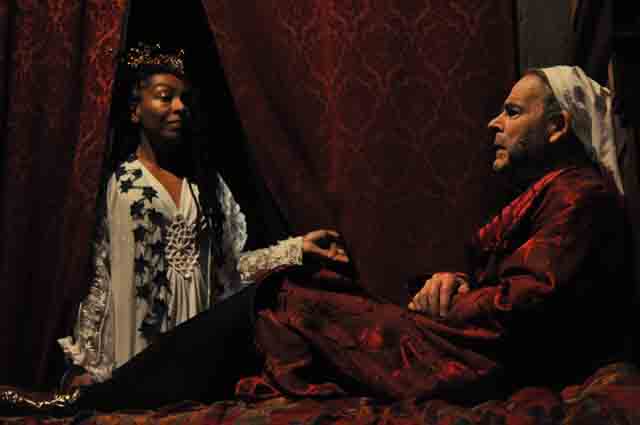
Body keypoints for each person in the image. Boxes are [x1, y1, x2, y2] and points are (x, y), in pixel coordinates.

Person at [1, 65, 631, 415]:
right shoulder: (123, 185)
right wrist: (458, 281)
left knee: (285, 299)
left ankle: (92, 405)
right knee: (286, 300)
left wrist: (452, 301)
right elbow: (109, 276)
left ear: (558, 127)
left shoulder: (580, 198)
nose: (494, 122)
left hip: (479, 357)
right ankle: (94, 398)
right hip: (470, 340)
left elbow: (529, 304)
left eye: (513, 111)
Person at [53, 44, 349, 389]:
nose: (179, 107)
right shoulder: (121, 184)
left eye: (184, 99)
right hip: (137, 362)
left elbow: (230, 269)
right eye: (165, 97)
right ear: (135, 110)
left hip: (195, 355)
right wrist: (90, 365)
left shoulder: (206, 186)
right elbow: (104, 280)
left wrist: (297, 249)